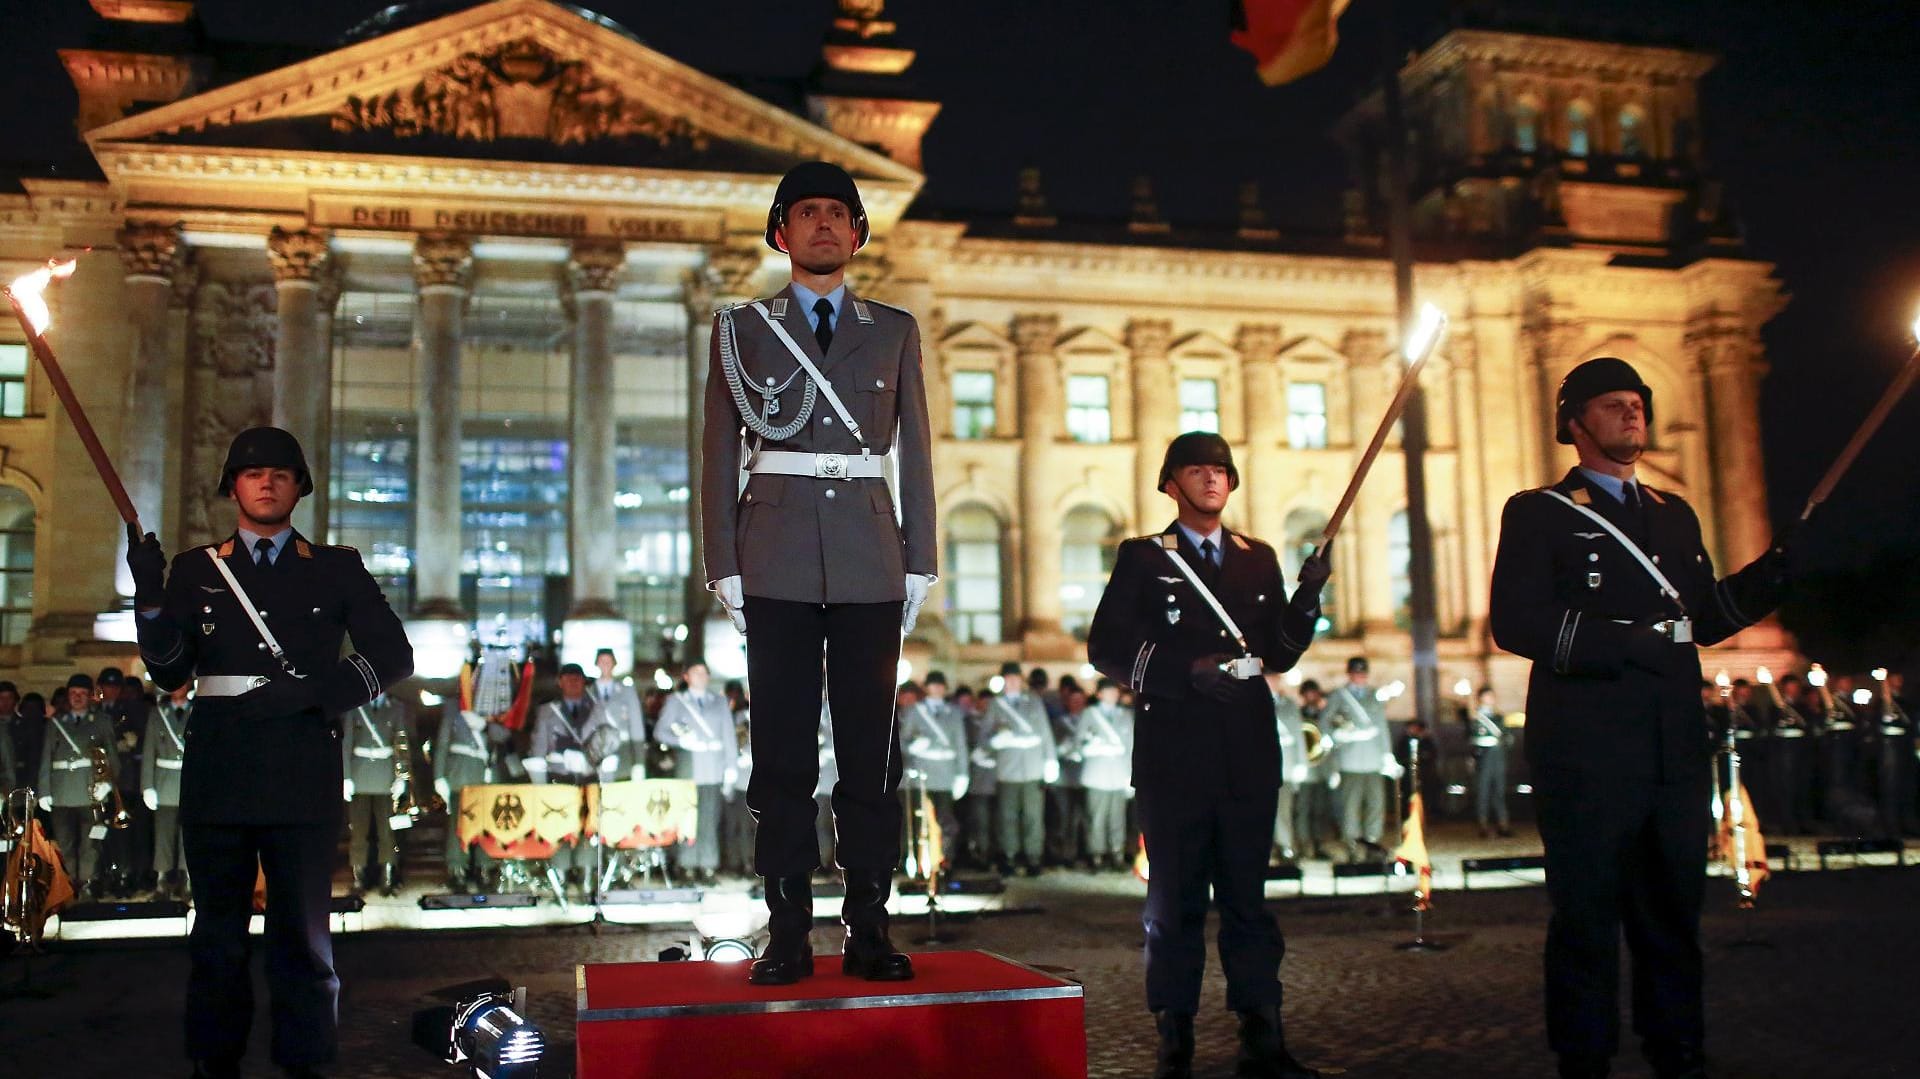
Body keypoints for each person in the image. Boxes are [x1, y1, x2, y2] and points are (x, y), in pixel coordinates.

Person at [1488, 357, 1792, 1079]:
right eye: (1613, 404)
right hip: (1586, 745)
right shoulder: (1539, 511)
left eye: (1638, 403)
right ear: (1575, 423)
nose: (1632, 414)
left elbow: (1703, 617)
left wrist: (1764, 582)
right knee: (1587, 916)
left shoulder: (1673, 512)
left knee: (1673, 912)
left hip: (1670, 744)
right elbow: (1517, 621)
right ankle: (1585, 1054)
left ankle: (1675, 1045)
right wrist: (1621, 641)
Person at [701, 160, 934, 986]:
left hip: (871, 555)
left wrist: (921, 556)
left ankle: (868, 925)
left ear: (860, 233)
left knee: (872, 755)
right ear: (781, 233)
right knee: (785, 753)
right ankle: (788, 929)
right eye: (808, 213)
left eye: (839, 213)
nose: (825, 225)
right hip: (777, 555)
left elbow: (917, 452)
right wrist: (722, 560)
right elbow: (718, 453)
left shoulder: (896, 328)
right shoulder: (741, 330)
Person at [128, 425, 413, 1078]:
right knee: (216, 941)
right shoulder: (198, 569)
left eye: (280, 473)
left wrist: (318, 694)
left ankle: (306, 1062)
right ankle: (215, 1061)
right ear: (234, 486)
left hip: (300, 770)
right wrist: (148, 600)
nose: (266, 481)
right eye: (252, 473)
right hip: (219, 771)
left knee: (304, 943)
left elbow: (394, 654)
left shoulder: (337, 566)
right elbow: (171, 672)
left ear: (298, 488)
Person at [1087, 431, 1329, 1079]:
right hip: (1174, 753)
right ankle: (1176, 1041)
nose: (1213, 478)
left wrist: (1307, 600)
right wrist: (1184, 669)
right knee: (1174, 902)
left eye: (1221, 469)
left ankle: (1263, 1037)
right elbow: (1107, 648)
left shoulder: (1258, 557)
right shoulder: (1144, 557)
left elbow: (1278, 652)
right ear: (1171, 482)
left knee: (1250, 901)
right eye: (1197, 469)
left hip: (1248, 751)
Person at [526, 663, 618, 887]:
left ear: (584, 682)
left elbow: (607, 741)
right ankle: (561, 873)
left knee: (588, 826)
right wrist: (539, 784)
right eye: (568, 679)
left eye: (577, 679)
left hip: (588, 777)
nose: (573, 683)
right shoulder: (548, 711)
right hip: (560, 777)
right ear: (560, 682)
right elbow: (538, 746)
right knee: (560, 825)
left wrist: (606, 768)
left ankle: (586, 872)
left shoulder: (598, 708)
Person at [36, 672, 119, 895]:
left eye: (82, 693)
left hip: (90, 791)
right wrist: (44, 791)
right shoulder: (56, 723)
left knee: (90, 843)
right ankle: (68, 884)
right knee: (65, 842)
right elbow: (46, 758)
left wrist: (108, 784)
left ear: (90, 696)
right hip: (62, 791)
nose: (77, 697)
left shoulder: (101, 721)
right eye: (73, 693)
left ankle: (88, 883)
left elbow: (112, 757)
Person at [652, 662, 731, 884]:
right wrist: (681, 741)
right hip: (688, 768)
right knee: (687, 818)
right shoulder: (677, 701)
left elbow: (728, 737)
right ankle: (686, 865)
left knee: (709, 818)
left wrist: (731, 766)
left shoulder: (719, 701)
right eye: (697, 672)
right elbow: (660, 732)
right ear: (686, 676)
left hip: (713, 768)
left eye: (705, 672)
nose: (702, 676)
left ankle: (707, 866)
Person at [1324, 657, 1399, 862]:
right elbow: (1325, 725)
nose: (1360, 677)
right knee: (1351, 806)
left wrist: (1387, 755)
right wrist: (1341, 736)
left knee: (1376, 804)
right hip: (1351, 761)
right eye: (1357, 674)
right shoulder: (1339, 696)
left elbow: (1382, 727)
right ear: (1349, 674)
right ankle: (1352, 845)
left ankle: (1372, 842)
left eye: (1363, 674)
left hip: (1373, 760)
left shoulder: (1374, 695)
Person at [986, 662, 1055, 877]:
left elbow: (1045, 732)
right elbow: (985, 738)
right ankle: (1009, 856)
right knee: (1007, 817)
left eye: (1016, 679)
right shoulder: (996, 705)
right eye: (1009, 679)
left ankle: (1033, 857)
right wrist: (995, 741)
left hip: (1032, 769)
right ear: (1004, 681)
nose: (1013, 682)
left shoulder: (1033, 702)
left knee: (1033, 817)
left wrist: (1050, 760)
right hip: (1007, 770)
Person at [433, 694, 508, 892]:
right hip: (460, 774)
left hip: (486, 775)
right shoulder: (453, 705)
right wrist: (439, 776)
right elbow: (442, 741)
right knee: (459, 826)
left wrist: (485, 726)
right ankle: (457, 870)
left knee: (488, 825)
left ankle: (484, 868)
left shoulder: (496, 702)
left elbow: (505, 735)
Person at [340, 692, 408, 896]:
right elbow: (346, 744)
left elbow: (402, 743)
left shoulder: (396, 708)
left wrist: (402, 777)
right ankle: (359, 879)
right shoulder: (356, 706)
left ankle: (386, 878)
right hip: (360, 775)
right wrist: (346, 777)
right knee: (358, 832)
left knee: (386, 832)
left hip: (386, 776)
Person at [899, 674, 966, 874]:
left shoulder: (953, 713)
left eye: (940, 686)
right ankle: (919, 862)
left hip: (945, 774)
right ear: (927, 688)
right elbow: (901, 741)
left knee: (946, 821)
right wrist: (913, 746)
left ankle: (944, 860)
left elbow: (960, 744)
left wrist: (962, 773)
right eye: (933, 686)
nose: (936, 689)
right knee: (919, 823)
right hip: (921, 775)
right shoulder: (914, 712)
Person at [1075, 678, 1135, 871]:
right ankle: (1096, 855)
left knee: (1117, 818)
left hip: (1118, 775)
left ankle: (1116, 854)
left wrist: (1130, 775)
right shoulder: (1089, 714)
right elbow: (1079, 743)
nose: (1112, 695)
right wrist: (1094, 748)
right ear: (1099, 694)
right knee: (1096, 818)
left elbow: (1132, 747)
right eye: (1108, 692)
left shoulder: (1125, 715)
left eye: (1114, 692)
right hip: (1097, 775)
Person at [142, 684, 192, 898]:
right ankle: (162, 878)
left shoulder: (198, 710)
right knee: (163, 833)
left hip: (190, 781)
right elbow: (149, 750)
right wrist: (147, 786)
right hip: (164, 782)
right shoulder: (158, 714)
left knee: (189, 835)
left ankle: (188, 878)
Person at [1264, 672, 1307, 864]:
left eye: (1275, 678)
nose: (1273, 682)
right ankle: (1267, 847)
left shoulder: (1289, 704)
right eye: (1269, 678)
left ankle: (1285, 845)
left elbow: (1298, 734)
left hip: (1286, 765)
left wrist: (1301, 763)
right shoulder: (1254, 700)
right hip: (1261, 768)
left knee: (1284, 810)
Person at [591, 648, 648, 781]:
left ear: (614, 664)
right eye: (601, 661)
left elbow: (636, 727)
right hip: (595, 750)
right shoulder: (588, 691)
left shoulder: (627, 691)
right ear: (597, 664)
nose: (605, 665)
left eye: (608, 662)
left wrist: (639, 762)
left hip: (622, 750)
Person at [1465, 687, 1513, 838]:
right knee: (1483, 790)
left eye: (1492, 696)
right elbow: (1470, 738)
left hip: (1498, 754)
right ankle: (1483, 824)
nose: (1491, 699)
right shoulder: (1475, 717)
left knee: (1499, 790)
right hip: (1482, 755)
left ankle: (1503, 824)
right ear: (1481, 698)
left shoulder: (1499, 717)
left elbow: (1507, 736)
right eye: (1488, 696)